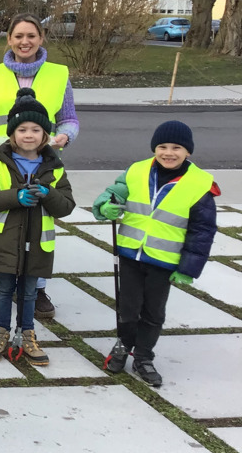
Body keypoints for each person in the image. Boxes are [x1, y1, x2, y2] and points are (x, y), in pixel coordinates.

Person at [0, 13, 79, 318]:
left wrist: (64, 137)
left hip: (42, 165)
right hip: (1, 165)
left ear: (41, 38)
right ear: (9, 40)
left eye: (31, 36)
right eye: (18, 36)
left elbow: (69, 119)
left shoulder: (58, 74)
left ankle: (37, 288)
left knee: (39, 230)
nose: (24, 42)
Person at [92, 121, 218, 387]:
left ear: (188, 152)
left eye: (176, 147)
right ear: (154, 148)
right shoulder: (136, 171)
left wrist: (188, 268)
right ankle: (123, 346)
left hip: (164, 260)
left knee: (153, 312)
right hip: (130, 255)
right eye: (162, 146)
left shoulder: (199, 184)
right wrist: (105, 207)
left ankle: (144, 356)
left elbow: (202, 230)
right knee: (128, 308)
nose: (168, 152)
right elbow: (112, 194)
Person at [0, 89, 75, 366]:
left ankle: (27, 333)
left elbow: (66, 205)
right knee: (4, 290)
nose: (28, 135)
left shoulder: (54, 169)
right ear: (11, 134)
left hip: (37, 246)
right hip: (5, 244)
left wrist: (48, 193)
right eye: (22, 129)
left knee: (30, 292)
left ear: (46, 135)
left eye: (36, 129)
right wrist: (16, 197)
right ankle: (0, 332)